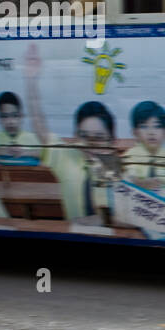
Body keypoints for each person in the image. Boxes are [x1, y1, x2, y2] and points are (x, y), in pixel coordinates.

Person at [23, 43, 117, 223]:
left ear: (111, 140)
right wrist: (31, 80)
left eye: (98, 138)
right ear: (75, 136)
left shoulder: (113, 167)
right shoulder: (66, 157)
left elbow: (116, 214)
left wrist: (94, 222)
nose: (90, 143)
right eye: (84, 136)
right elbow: (39, 123)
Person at [122, 100, 165, 189]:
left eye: (157, 126)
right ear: (135, 132)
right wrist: (141, 183)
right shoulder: (130, 155)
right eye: (144, 126)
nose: (151, 132)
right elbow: (130, 177)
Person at [0, 91, 42, 160]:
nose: (10, 121)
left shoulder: (30, 137)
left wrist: (25, 152)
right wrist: (2, 151)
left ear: (21, 117)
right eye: (5, 116)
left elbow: (44, 153)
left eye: (14, 115)